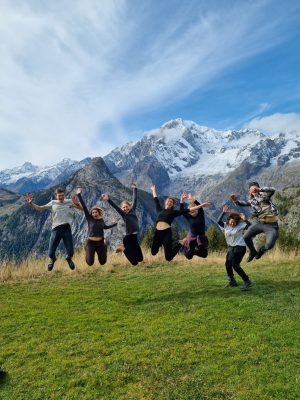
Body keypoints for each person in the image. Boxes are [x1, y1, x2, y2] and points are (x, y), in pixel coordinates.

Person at [25, 188, 81, 271]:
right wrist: (31, 203)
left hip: (66, 228)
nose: (61, 197)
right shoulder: (53, 203)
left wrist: (77, 204)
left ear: (64, 195)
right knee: (50, 253)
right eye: (59, 196)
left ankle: (69, 259)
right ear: (56, 196)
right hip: (56, 229)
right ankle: (53, 259)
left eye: (62, 195)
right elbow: (40, 208)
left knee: (71, 252)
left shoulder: (70, 201)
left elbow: (82, 209)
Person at [150, 185, 205, 261]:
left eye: (171, 202)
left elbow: (187, 210)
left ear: (172, 205)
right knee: (153, 252)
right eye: (168, 201)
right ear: (165, 202)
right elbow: (155, 200)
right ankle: (161, 244)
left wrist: (201, 205)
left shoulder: (173, 212)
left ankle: (180, 243)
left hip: (167, 233)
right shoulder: (160, 210)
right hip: (158, 232)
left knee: (168, 257)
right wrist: (153, 190)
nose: (169, 202)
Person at [231, 181, 279, 262]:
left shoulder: (265, 196)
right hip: (260, 223)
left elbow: (273, 190)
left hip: (272, 225)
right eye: (251, 189)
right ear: (249, 191)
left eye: (255, 188)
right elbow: (241, 203)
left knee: (269, 245)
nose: (253, 190)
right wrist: (235, 201)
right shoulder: (251, 201)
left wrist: (260, 189)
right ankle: (252, 252)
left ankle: (261, 251)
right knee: (246, 237)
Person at [101, 183, 143, 266]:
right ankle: (123, 249)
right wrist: (108, 199)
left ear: (130, 206)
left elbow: (135, 200)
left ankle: (124, 250)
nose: (125, 208)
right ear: (122, 209)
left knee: (140, 258)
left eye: (127, 206)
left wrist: (134, 188)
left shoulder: (133, 210)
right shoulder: (124, 215)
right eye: (123, 207)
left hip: (134, 237)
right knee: (135, 263)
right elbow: (115, 207)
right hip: (127, 238)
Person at [76, 188, 118, 266]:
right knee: (90, 263)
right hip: (90, 243)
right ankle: (87, 250)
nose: (94, 213)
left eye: (96, 212)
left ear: (98, 213)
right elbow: (84, 207)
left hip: (101, 242)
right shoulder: (89, 219)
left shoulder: (101, 220)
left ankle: (104, 247)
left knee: (103, 262)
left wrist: (114, 224)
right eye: (93, 212)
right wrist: (79, 195)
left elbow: (105, 227)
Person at [217, 205, 252, 290]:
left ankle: (247, 281)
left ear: (237, 222)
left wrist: (244, 219)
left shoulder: (240, 226)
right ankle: (232, 280)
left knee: (235, 265)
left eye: (234, 222)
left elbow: (250, 225)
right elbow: (218, 221)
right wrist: (223, 212)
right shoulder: (226, 225)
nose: (232, 224)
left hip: (239, 247)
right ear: (229, 221)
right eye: (231, 222)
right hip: (231, 247)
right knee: (227, 264)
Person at [180, 192, 210, 259]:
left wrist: (192, 199)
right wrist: (181, 201)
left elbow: (199, 205)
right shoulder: (189, 217)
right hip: (191, 237)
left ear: (196, 210)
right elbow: (181, 211)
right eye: (190, 211)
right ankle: (183, 244)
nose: (192, 212)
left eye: (193, 210)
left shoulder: (200, 215)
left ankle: (193, 252)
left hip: (201, 237)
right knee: (188, 256)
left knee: (204, 254)